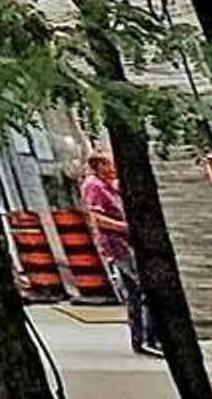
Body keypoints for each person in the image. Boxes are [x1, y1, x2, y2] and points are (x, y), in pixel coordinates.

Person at [81, 151, 151, 355]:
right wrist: (127, 227)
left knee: (134, 293)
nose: (115, 168)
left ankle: (140, 338)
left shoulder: (109, 185)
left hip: (124, 242)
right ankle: (147, 337)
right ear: (100, 165)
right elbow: (97, 218)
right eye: (111, 164)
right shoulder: (94, 186)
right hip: (117, 244)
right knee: (142, 286)